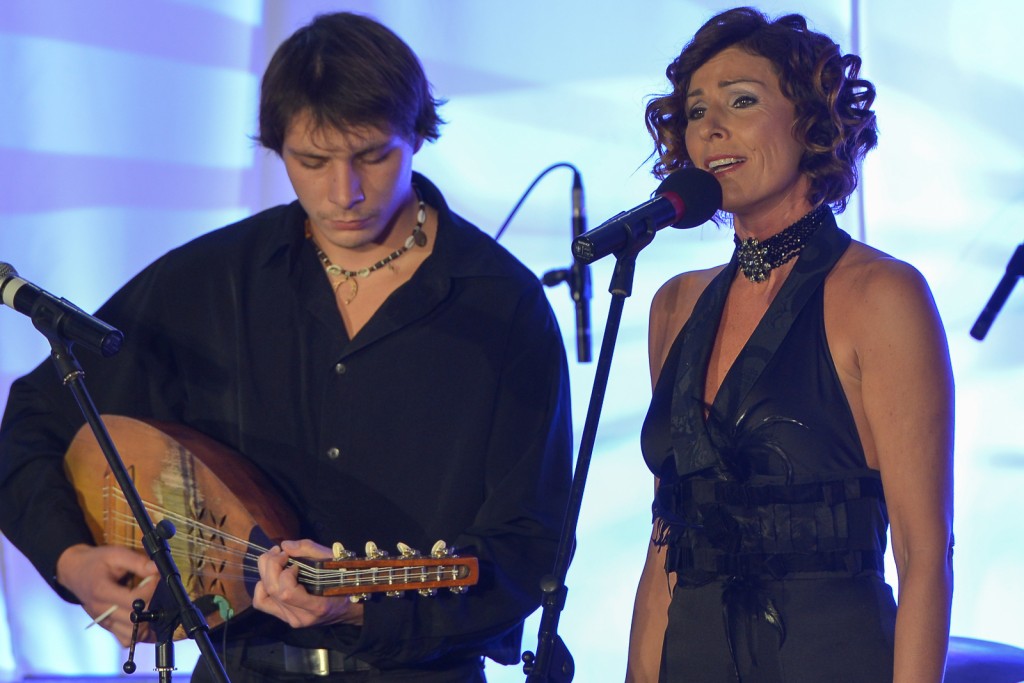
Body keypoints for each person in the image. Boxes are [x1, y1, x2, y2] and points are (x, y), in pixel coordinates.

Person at [0, 11, 572, 683]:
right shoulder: (213, 280)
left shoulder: (500, 304)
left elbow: (529, 546)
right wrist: (72, 561)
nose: (344, 192)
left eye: (373, 155)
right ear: (277, 148)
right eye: (312, 161)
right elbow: (34, 422)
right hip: (237, 667)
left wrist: (360, 609)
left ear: (418, 134)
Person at [625, 8, 953, 683]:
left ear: (811, 120)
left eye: (741, 101)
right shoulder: (674, 304)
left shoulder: (882, 295)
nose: (710, 127)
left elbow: (924, 555)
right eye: (695, 111)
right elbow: (666, 546)